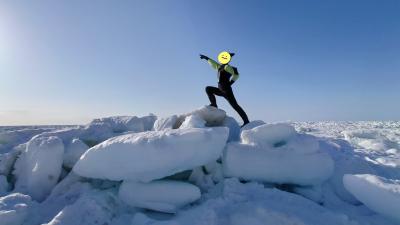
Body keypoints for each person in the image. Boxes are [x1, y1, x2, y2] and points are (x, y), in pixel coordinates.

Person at [200, 51, 249, 127]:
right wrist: (206, 58)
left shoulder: (227, 67)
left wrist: (231, 82)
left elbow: (236, 75)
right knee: (208, 89)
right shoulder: (219, 67)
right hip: (220, 90)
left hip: (227, 91)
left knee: (235, 106)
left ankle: (246, 121)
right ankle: (214, 104)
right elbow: (213, 63)